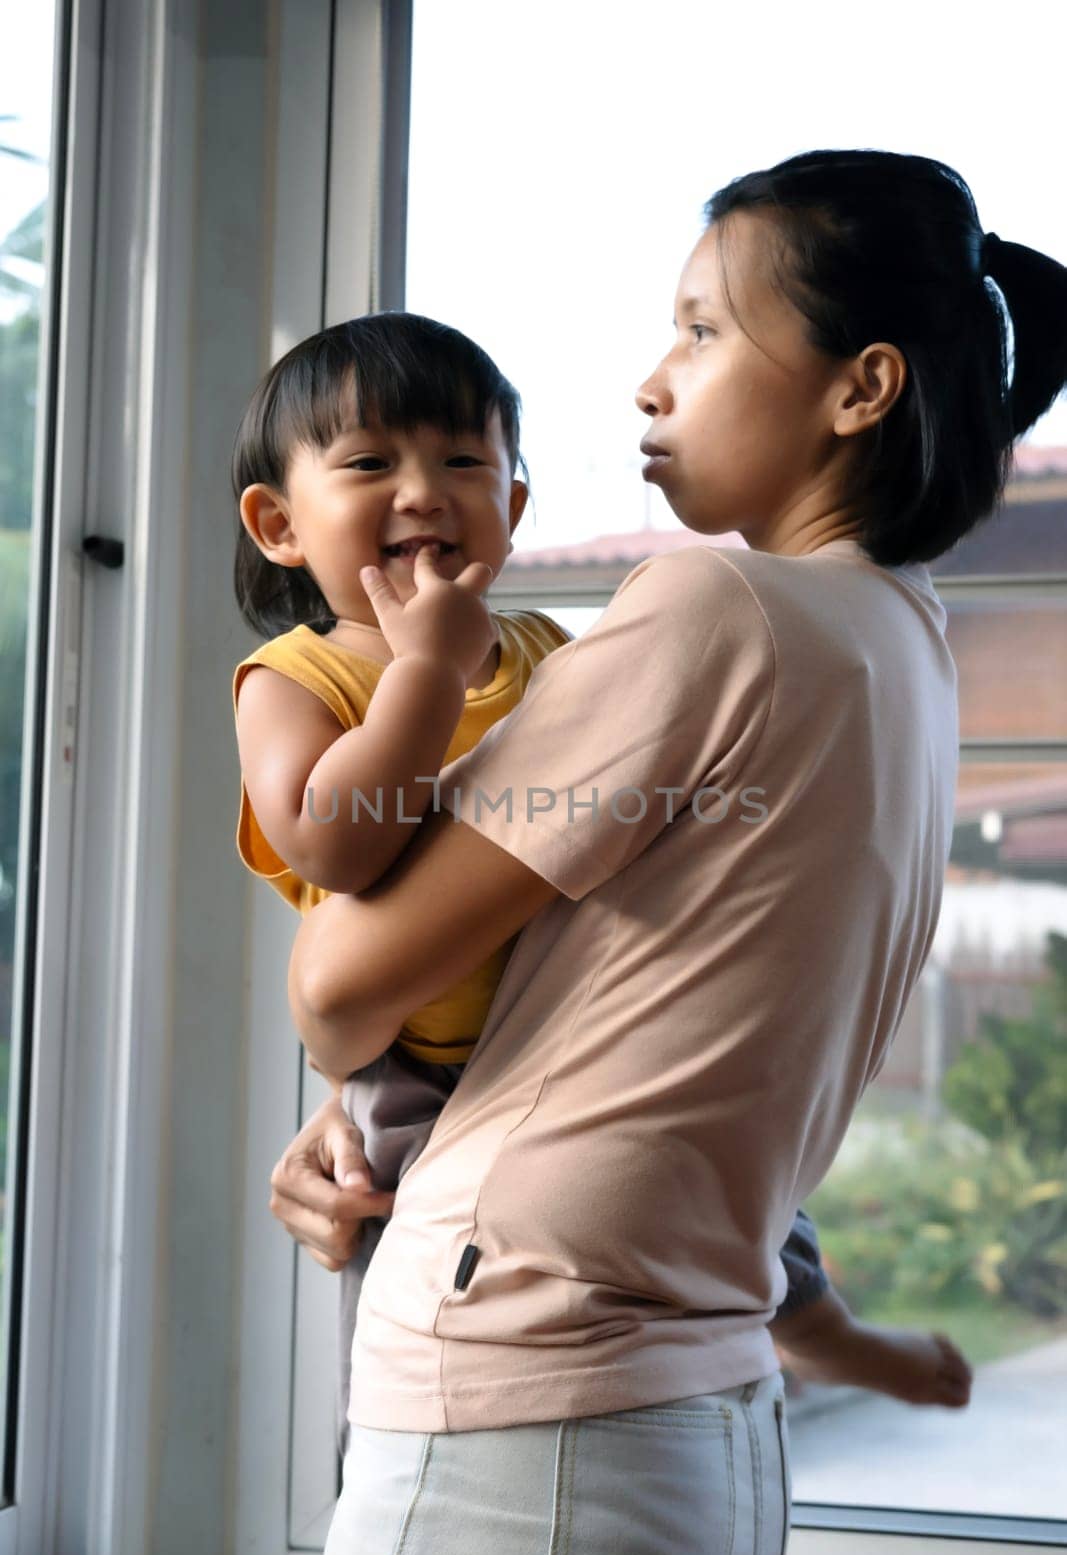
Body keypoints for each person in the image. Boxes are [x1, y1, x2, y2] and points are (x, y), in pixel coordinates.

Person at [274, 146, 1067, 1555]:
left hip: (526, 1396)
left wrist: (409, 688)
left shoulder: (717, 607)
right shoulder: (902, 642)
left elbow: (334, 993)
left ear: (859, 387)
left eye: (701, 330)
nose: (651, 381)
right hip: (691, 1406)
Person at [227, 310, 950, 1469]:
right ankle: (384, 1460)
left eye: (463, 462)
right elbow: (334, 843)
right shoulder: (295, 679)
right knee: (404, 1267)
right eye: (370, 463)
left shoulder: (545, 653)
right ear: (276, 523)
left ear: (512, 508)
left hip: (582, 1035)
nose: (423, 492)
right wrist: (423, 671)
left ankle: (819, 1330)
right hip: (422, 1073)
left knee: (753, 1214)